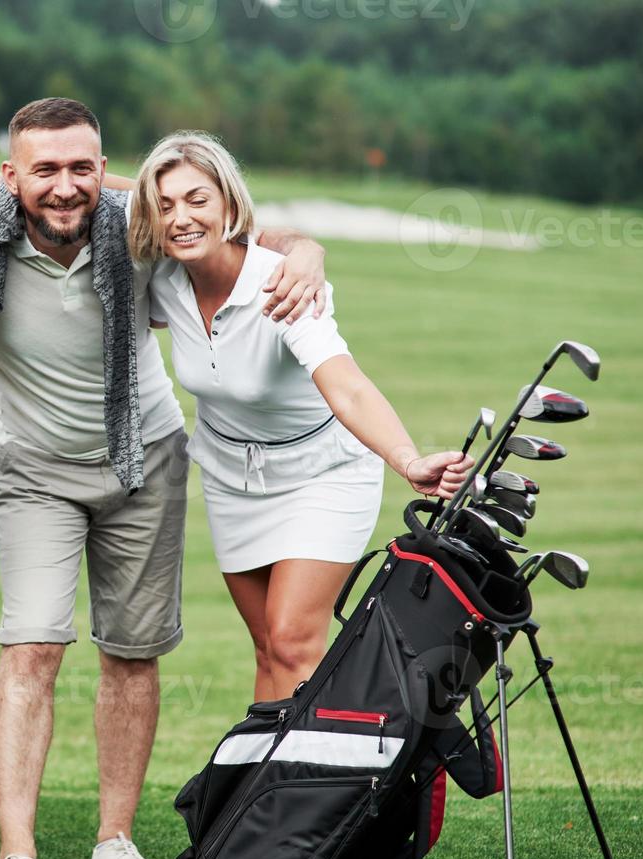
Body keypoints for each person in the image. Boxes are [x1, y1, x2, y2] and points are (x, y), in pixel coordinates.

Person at [0, 99, 331, 859]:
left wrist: (310, 251)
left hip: (144, 461)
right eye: (43, 170)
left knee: (132, 652)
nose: (66, 186)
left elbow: (251, 234)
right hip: (35, 472)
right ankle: (17, 857)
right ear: (11, 176)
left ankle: (114, 838)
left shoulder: (139, 227)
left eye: (83, 167)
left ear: (105, 168)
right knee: (32, 647)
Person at [129, 130, 472, 704]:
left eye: (197, 199)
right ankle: (266, 787)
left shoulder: (284, 282)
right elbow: (105, 192)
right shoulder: (164, 282)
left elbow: (348, 387)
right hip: (231, 481)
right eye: (164, 206)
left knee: (294, 641)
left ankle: (304, 785)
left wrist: (407, 459)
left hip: (323, 474)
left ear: (230, 205)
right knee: (268, 646)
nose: (181, 218)